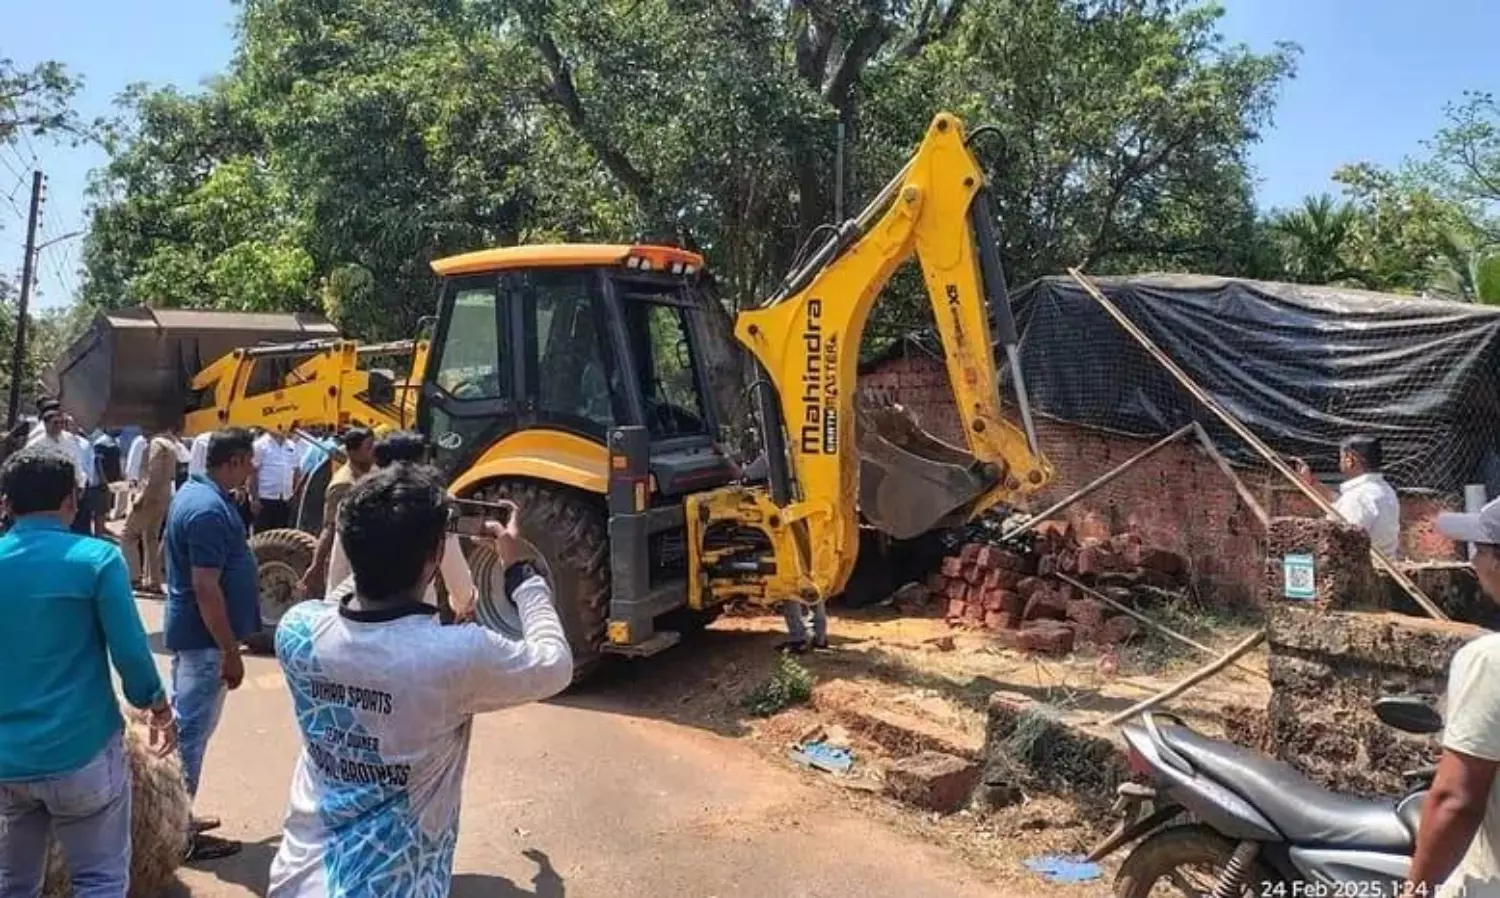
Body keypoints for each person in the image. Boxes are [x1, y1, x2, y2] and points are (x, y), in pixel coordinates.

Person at [267, 464, 572, 896]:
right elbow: (554, 663)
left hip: (296, 881)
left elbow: (348, 593)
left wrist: (395, 540)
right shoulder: (453, 657)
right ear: (434, 558)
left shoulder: (296, 631)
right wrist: (520, 570)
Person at [0, 448, 178, 895]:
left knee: (15, 882)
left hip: (7, 760)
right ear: (71, 501)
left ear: (8, 503)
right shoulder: (95, 560)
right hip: (81, 755)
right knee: (99, 879)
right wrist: (156, 705)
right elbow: (132, 655)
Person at [163, 428, 261, 862]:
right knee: (189, 739)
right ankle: (177, 834)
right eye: (250, 461)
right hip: (205, 644)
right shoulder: (205, 510)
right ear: (235, 461)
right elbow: (206, 587)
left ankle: (177, 818)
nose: (255, 468)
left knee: (182, 731)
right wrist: (229, 651)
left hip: (196, 640)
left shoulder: (198, 495)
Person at [1404, 498, 1500, 896]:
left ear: (1497, 563)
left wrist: (1416, 889)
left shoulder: (1489, 662)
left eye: (1478, 549)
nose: (1473, 562)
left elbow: (1455, 801)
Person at [323, 431, 476, 612]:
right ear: (422, 464)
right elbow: (461, 590)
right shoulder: (434, 506)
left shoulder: (354, 501)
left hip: (358, 620)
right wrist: (464, 604)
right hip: (414, 623)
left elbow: (338, 573)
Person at [298, 427, 375, 600]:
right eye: (369, 447)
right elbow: (330, 528)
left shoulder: (370, 473)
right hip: (349, 558)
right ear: (352, 452)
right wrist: (316, 566)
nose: (374, 451)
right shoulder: (343, 484)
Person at [1294, 435, 1401, 558]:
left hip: (1359, 571)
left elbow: (1345, 544)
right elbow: (1338, 502)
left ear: (1350, 460)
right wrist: (1311, 483)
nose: (1340, 462)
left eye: (1341, 457)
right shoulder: (1385, 490)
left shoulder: (1357, 497)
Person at [121, 425, 179, 593]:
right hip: (164, 496)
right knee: (151, 538)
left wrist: (142, 497)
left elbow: (153, 475)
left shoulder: (156, 444)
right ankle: (153, 580)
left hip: (150, 496)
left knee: (128, 535)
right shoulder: (170, 445)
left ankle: (133, 577)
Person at [251, 427, 300, 532]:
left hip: (286, 500)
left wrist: (295, 495)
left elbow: (296, 472)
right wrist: (254, 499)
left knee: (282, 538)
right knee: (263, 536)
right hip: (265, 500)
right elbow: (253, 473)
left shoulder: (292, 446)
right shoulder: (259, 445)